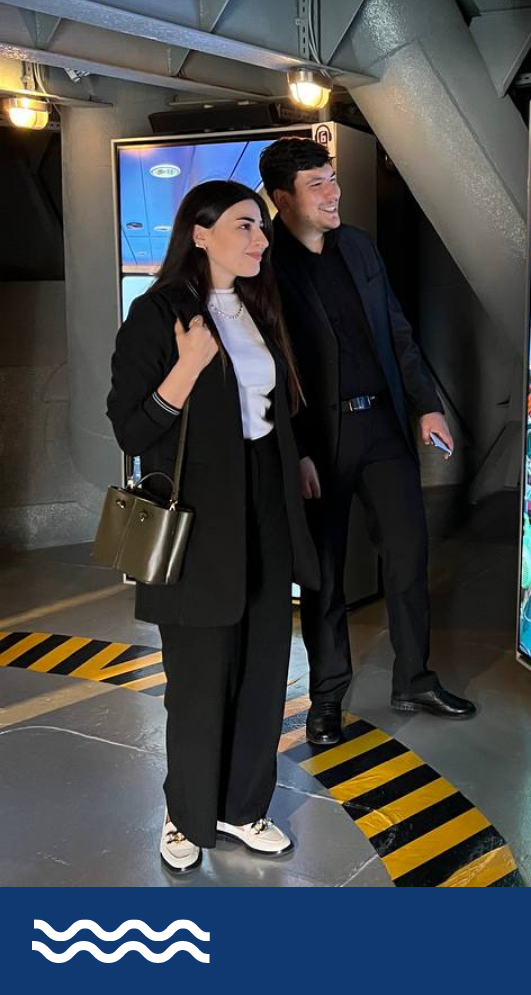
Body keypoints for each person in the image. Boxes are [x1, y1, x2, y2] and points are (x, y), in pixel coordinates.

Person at [107, 180, 320, 874]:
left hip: (264, 503)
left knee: (263, 667)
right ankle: (186, 813)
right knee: (199, 679)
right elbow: (131, 427)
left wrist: (295, 459)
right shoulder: (157, 313)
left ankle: (240, 806)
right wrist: (189, 366)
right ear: (199, 235)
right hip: (199, 519)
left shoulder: (258, 305)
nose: (259, 239)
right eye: (243, 226)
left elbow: (270, 407)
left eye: (261, 227)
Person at [258, 137, 475, 747]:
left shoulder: (357, 246)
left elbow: (396, 331)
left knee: (408, 555)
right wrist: (296, 451)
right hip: (317, 440)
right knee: (324, 575)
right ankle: (326, 698)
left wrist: (426, 405)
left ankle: (415, 679)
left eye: (332, 179)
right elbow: (268, 368)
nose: (334, 193)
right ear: (281, 199)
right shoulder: (265, 266)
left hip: (381, 426)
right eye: (317, 185)